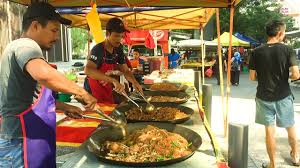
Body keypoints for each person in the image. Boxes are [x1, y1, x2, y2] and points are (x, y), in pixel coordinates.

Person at [0, 2, 97, 168]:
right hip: (19, 141)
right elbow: (43, 74)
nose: (57, 37)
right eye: (53, 30)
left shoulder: (27, 50)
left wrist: (63, 106)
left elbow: (31, 98)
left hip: (31, 137)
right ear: (36, 26)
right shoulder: (25, 45)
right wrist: (81, 92)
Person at [249, 20, 300, 168]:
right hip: (283, 96)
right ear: (280, 33)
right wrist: (287, 77)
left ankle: (272, 165)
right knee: (290, 127)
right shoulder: (288, 50)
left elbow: (252, 77)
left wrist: (264, 77)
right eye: (284, 33)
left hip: (263, 98)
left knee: (269, 132)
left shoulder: (256, 52)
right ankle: (296, 157)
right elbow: (296, 75)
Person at [84, 17, 143, 104]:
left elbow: (125, 70)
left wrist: (134, 82)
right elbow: (88, 70)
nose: (119, 39)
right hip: (93, 91)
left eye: (121, 36)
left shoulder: (118, 48)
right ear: (108, 34)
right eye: (116, 36)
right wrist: (113, 80)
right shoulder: (98, 49)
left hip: (107, 87)